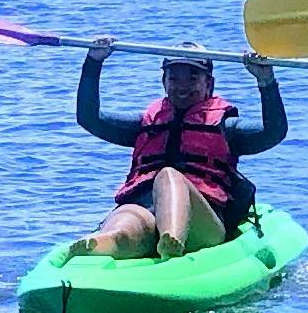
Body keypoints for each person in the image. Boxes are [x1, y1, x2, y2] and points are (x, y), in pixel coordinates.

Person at [65, 41, 285, 260]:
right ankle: (110, 241)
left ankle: (172, 241)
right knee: (126, 219)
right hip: (147, 211)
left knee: (169, 176)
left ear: (209, 84)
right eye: (174, 79)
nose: (182, 86)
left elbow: (273, 132)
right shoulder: (146, 124)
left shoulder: (227, 128)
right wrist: (94, 61)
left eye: (192, 78)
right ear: (163, 82)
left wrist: (266, 81)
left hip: (203, 225)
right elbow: (89, 118)